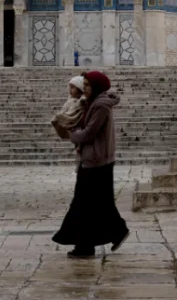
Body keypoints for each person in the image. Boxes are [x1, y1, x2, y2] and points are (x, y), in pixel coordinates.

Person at [51, 71, 130, 258]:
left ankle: (85, 247)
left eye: (87, 85)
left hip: (96, 161)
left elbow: (89, 133)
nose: (83, 88)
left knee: (83, 204)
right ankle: (117, 231)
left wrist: (72, 134)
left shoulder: (101, 106)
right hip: (95, 159)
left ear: (96, 86)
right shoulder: (93, 103)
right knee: (101, 203)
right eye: (83, 84)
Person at [51, 75, 87, 139]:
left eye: (72, 87)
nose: (70, 90)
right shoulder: (69, 100)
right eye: (70, 87)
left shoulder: (82, 101)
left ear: (80, 89)